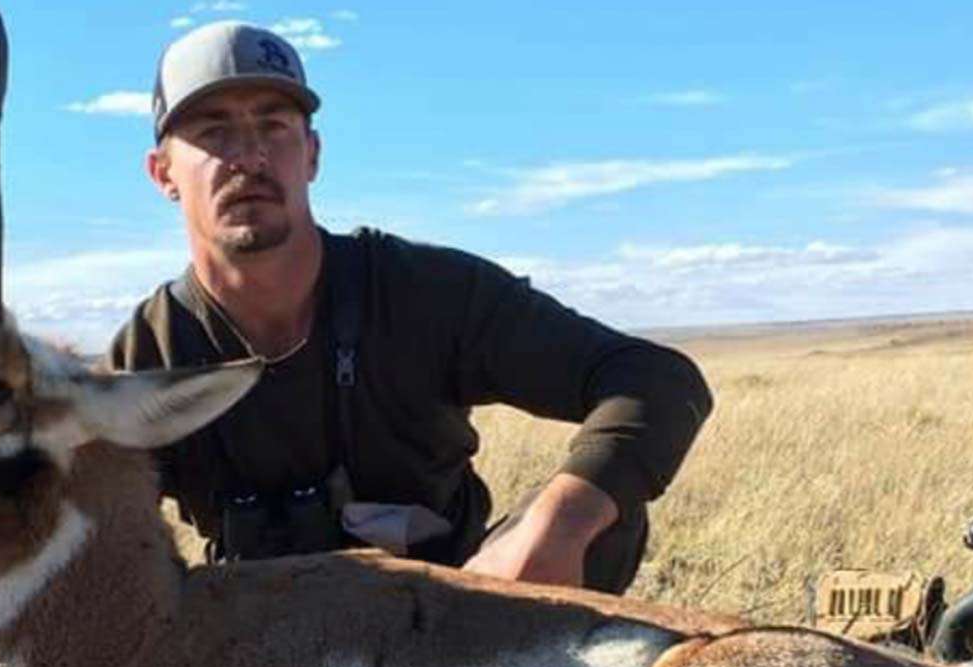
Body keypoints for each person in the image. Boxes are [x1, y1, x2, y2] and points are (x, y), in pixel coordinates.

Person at [108, 21, 712, 594]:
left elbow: (659, 379)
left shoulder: (428, 292)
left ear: (312, 155)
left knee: (601, 515)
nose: (250, 157)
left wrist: (563, 517)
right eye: (214, 132)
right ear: (162, 173)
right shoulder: (150, 355)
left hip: (455, 633)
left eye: (273, 127)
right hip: (267, 655)